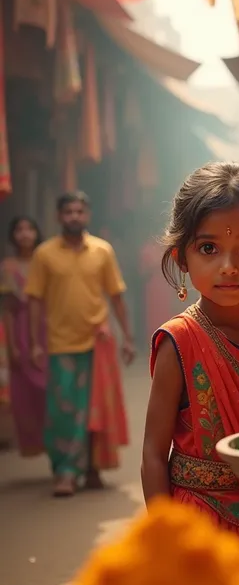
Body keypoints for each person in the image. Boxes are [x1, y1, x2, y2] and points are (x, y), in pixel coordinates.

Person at [142, 162, 239, 539]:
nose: (229, 267)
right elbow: (153, 456)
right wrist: (165, 542)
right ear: (182, 258)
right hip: (197, 521)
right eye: (209, 248)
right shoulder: (179, 341)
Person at [25, 191, 135, 497]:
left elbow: (116, 297)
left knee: (96, 410)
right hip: (60, 344)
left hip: (98, 343)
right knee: (63, 412)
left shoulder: (102, 251)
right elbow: (34, 301)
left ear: (87, 215)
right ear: (59, 216)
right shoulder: (44, 254)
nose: (74, 216)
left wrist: (127, 337)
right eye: (68, 211)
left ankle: (91, 468)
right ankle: (65, 470)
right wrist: (35, 343)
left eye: (79, 211)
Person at [0, 217, 46, 456]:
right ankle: (33, 441)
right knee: (26, 388)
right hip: (20, 328)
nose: (25, 234)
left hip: (47, 328)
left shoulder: (46, 259)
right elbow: (7, 309)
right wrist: (11, 346)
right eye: (19, 229)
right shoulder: (8, 267)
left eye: (30, 228)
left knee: (49, 387)